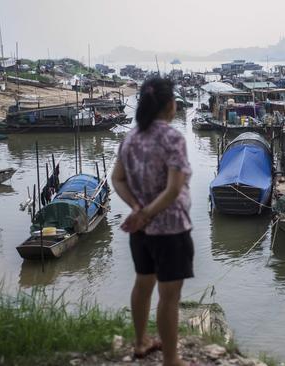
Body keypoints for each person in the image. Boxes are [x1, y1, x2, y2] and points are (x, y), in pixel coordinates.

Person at [112, 77, 193, 366]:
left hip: (140, 230)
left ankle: (141, 341)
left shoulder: (130, 137)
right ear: (170, 105)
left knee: (143, 284)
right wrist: (147, 213)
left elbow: (117, 179)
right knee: (169, 296)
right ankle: (171, 359)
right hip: (170, 230)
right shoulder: (173, 138)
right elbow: (173, 190)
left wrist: (137, 209)